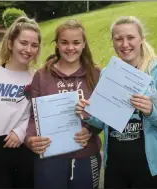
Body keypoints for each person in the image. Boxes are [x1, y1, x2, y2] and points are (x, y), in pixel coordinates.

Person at [76, 16, 157, 188]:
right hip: (116, 165)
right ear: (113, 42)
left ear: (141, 38)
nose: (124, 44)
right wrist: (88, 113)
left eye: (130, 38)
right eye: (118, 39)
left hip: (151, 167)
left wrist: (151, 111)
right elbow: (103, 119)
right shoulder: (108, 72)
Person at [24, 19, 102, 189]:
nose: (70, 48)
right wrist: (30, 139)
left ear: (83, 44)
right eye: (64, 42)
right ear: (57, 44)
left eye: (76, 42)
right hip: (50, 157)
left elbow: (103, 117)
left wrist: (89, 131)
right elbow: (32, 116)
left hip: (86, 156)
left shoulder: (95, 74)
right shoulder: (42, 75)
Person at [0, 16, 41, 188]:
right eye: (23, 43)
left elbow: (39, 114)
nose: (28, 49)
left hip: (23, 150)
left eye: (34, 45)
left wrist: (21, 131)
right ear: (10, 43)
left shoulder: (37, 79)